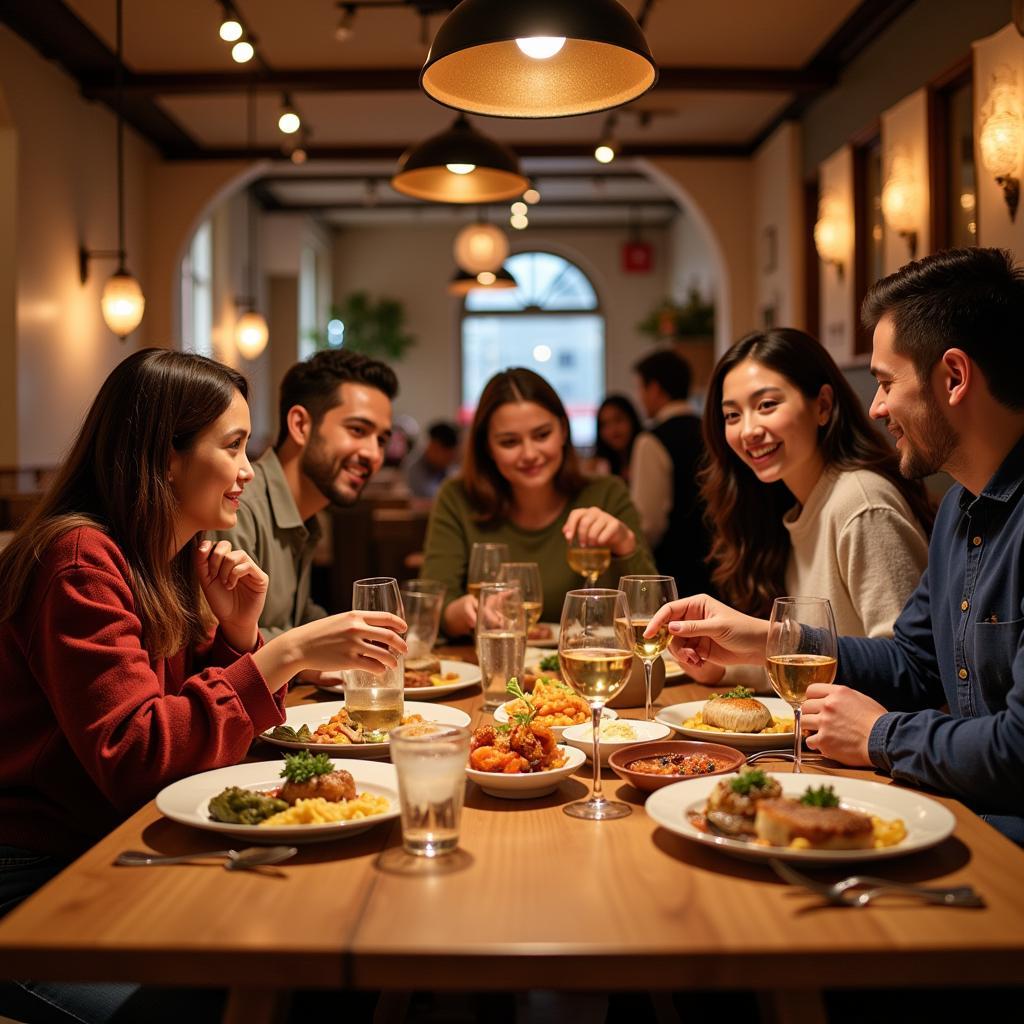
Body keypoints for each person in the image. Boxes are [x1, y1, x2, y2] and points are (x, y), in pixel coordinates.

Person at [0, 350, 406, 907]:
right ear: (167, 454)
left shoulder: (164, 557)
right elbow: (137, 757)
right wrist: (281, 653)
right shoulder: (79, 561)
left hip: (119, 841)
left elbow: (186, 738)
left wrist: (238, 635)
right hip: (41, 875)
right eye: (233, 446)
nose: (247, 470)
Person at [647, 248, 1024, 844]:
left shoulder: (867, 501)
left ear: (954, 377)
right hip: (962, 814)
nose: (875, 407)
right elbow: (913, 663)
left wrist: (881, 736)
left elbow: (1017, 748)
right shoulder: (959, 507)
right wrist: (766, 639)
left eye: (885, 383)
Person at [687, 327, 933, 686]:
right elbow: (806, 667)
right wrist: (721, 668)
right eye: (732, 415)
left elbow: (910, 673)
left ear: (822, 406)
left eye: (766, 405)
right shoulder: (789, 504)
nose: (748, 430)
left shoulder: (861, 504)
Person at [422, 368, 656, 636]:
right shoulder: (458, 498)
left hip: (587, 667)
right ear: (487, 447)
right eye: (509, 442)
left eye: (542, 435)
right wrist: (462, 612)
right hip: (491, 668)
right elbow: (435, 606)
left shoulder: (606, 494)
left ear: (563, 430)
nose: (530, 454)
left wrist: (624, 544)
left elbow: (650, 613)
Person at [212, 348, 398, 639]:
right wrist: (317, 653)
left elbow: (293, 620)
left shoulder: (306, 516)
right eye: (358, 430)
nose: (374, 455)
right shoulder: (238, 505)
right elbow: (219, 642)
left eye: (382, 440)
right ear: (300, 425)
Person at [630, 349, 713, 593]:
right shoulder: (711, 432)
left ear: (654, 388)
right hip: (716, 565)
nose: (640, 397)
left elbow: (649, 524)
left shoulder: (651, 440)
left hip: (674, 571)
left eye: (640, 388)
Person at [404, 420, 460, 498]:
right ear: (434, 447)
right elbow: (426, 494)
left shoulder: (449, 469)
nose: (451, 460)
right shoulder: (413, 465)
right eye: (448, 456)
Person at [593, 394, 643, 481]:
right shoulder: (601, 467)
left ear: (632, 420)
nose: (613, 430)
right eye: (605, 424)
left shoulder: (646, 455)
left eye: (618, 420)